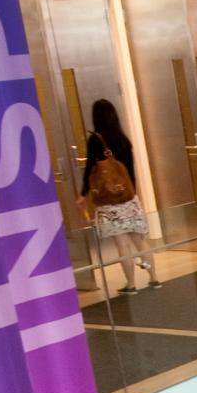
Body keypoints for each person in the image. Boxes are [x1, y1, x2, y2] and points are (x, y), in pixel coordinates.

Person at [84, 100, 156, 295]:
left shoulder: (96, 140)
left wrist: (83, 194)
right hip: (130, 198)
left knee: (122, 244)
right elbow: (130, 171)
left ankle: (131, 284)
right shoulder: (123, 139)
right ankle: (154, 278)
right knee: (140, 241)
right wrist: (132, 193)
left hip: (110, 203)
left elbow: (90, 168)